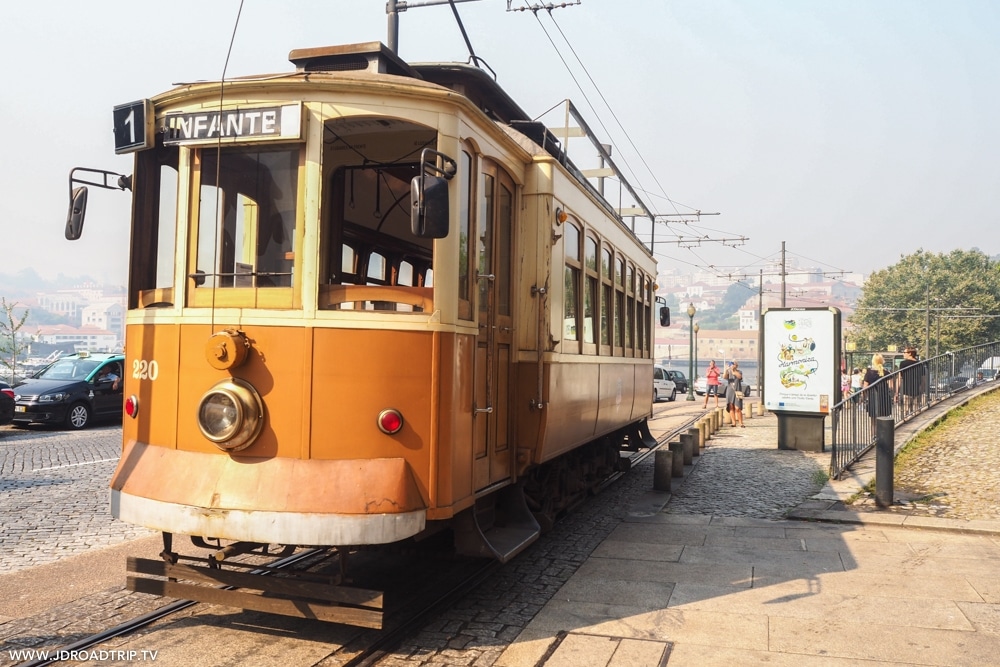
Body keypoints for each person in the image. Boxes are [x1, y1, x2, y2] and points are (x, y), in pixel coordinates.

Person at [862, 353, 893, 428]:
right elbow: (891, 386)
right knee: (884, 419)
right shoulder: (886, 372)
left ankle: (874, 437)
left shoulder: (869, 373)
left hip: (872, 398)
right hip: (884, 397)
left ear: (873, 361)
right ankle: (884, 435)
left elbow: (865, 387)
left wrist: (864, 397)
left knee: (873, 421)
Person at [896, 346, 924, 413]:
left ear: (910, 353)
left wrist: (896, 393)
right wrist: (921, 390)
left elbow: (899, 378)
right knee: (916, 411)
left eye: (904, 352)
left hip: (906, 391)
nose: (903, 354)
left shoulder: (903, 363)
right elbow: (923, 379)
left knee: (905, 411)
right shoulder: (920, 363)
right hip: (917, 391)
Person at [724, 361, 745, 427]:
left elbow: (739, 377)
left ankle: (741, 423)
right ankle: (733, 423)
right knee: (731, 407)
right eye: (732, 364)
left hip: (737, 391)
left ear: (736, 365)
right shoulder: (729, 372)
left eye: (734, 364)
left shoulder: (739, 372)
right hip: (730, 390)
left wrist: (733, 371)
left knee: (737, 408)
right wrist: (726, 370)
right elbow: (724, 377)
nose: (733, 365)